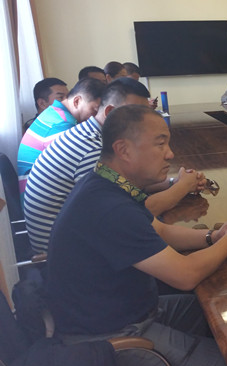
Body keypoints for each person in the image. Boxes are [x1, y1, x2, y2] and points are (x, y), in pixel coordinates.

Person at [45, 104, 227, 366]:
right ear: (124, 150)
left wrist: (214, 237)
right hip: (107, 338)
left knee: (218, 311)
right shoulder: (108, 207)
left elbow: (160, 230)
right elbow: (185, 275)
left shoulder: (108, 183)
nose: (170, 154)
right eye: (160, 144)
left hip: (132, 310)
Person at [24, 78, 205, 254]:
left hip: (79, 238)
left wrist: (173, 182)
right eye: (135, 113)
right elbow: (136, 212)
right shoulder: (92, 150)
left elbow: (124, 187)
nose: (145, 120)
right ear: (110, 112)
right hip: (66, 252)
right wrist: (183, 187)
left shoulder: (91, 134)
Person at [17, 77, 105, 194]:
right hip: (39, 197)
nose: (97, 116)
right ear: (77, 101)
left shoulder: (54, 113)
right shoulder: (62, 125)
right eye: (95, 110)